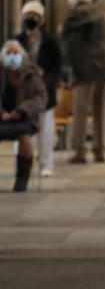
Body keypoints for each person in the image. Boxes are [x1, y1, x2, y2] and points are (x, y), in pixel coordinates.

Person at [60, 0, 105, 163]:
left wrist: (70, 69)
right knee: (100, 111)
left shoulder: (74, 16)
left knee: (80, 112)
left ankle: (79, 151)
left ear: (75, 3)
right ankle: (99, 150)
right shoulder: (100, 15)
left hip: (83, 71)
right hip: (102, 69)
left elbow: (70, 46)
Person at [16, 2, 61, 177]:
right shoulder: (17, 40)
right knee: (20, 127)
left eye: (34, 17)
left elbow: (56, 68)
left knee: (46, 130)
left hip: (44, 90)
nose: (30, 20)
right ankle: (21, 161)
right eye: (28, 17)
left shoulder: (50, 42)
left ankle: (46, 164)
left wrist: (45, 83)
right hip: (23, 91)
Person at [0, 40, 47, 191]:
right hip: (2, 118)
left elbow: (41, 98)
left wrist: (20, 110)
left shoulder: (31, 75)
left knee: (25, 139)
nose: (12, 56)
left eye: (15, 53)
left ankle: (22, 179)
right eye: (9, 53)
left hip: (23, 118)